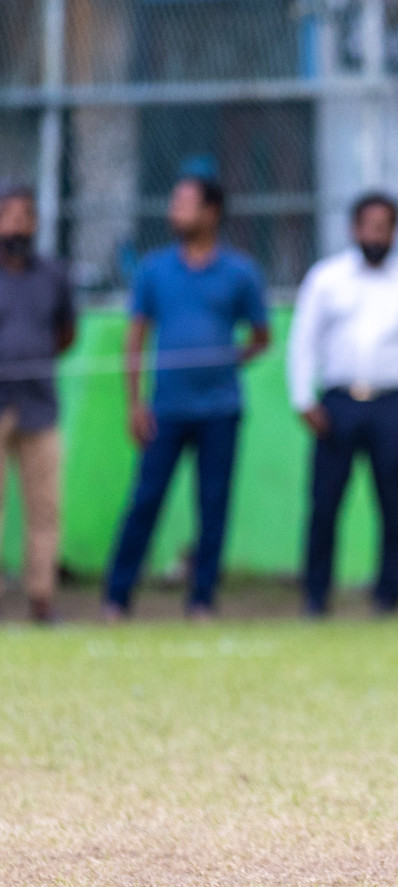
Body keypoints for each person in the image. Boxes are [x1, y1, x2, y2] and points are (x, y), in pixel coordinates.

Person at [103, 176, 270, 619]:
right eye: (173, 202)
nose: (174, 211)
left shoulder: (239, 272)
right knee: (145, 500)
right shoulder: (154, 270)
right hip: (165, 411)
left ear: (211, 212)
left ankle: (201, 599)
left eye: (185, 203)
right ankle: (117, 597)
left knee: (213, 505)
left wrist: (225, 360)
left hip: (221, 410)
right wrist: (135, 402)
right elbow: (136, 337)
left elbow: (261, 335)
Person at [288, 191, 398, 616]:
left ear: (396, 231)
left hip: (392, 406)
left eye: (385, 226)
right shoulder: (326, 278)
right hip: (336, 405)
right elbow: (303, 341)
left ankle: (387, 596)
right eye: (368, 225)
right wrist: (304, 399)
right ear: (354, 229)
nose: (376, 234)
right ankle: (316, 596)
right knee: (325, 502)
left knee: (390, 502)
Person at [0, 185, 75, 623]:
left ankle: (42, 599)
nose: (16, 223)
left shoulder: (52, 275)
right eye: (7, 214)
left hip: (39, 405)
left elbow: (66, 333)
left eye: (24, 215)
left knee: (45, 507)